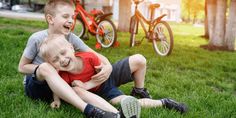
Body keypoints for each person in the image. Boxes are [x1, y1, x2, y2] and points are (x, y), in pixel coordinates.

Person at [18, 0, 141, 117]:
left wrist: (108, 66)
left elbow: (95, 55)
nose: (71, 21)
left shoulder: (71, 37)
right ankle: (89, 110)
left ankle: (118, 113)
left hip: (61, 87)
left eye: (72, 17)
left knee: (77, 87)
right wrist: (52, 70)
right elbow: (22, 67)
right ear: (50, 19)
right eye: (66, 17)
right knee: (46, 67)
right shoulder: (37, 38)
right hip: (38, 85)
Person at [40, 34, 188, 115]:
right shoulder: (62, 75)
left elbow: (104, 72)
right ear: (53, 65)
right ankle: (164, 102)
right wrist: (56, 100)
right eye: (56, 60)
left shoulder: (88, 57)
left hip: (106, 81)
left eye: (63, 53)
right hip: (104, 93)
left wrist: (86, 84)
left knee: (139, 59)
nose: (63, 60)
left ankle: (139, 90)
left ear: (71, 48)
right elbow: (57, 88)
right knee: (128, 102)